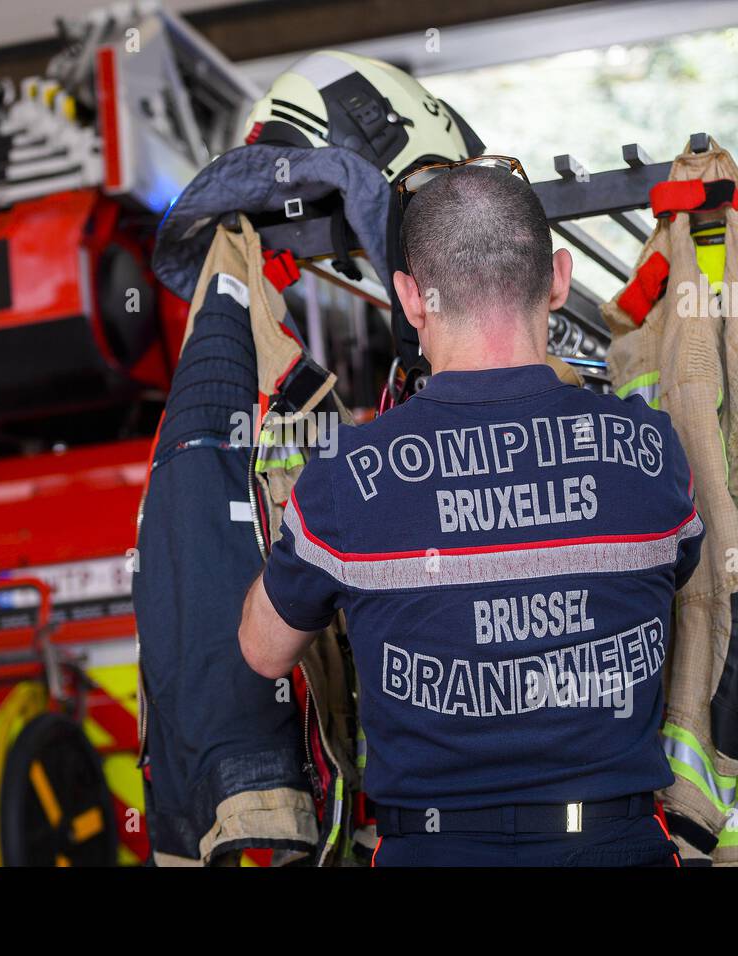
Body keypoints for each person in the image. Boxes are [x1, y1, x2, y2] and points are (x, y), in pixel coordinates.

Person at [237, 161, 704, 866]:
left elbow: (262, 650)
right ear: (558, 280)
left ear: (409, 299)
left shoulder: (343, 479)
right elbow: (680, 579)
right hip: (616, 844)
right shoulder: (649, 450)